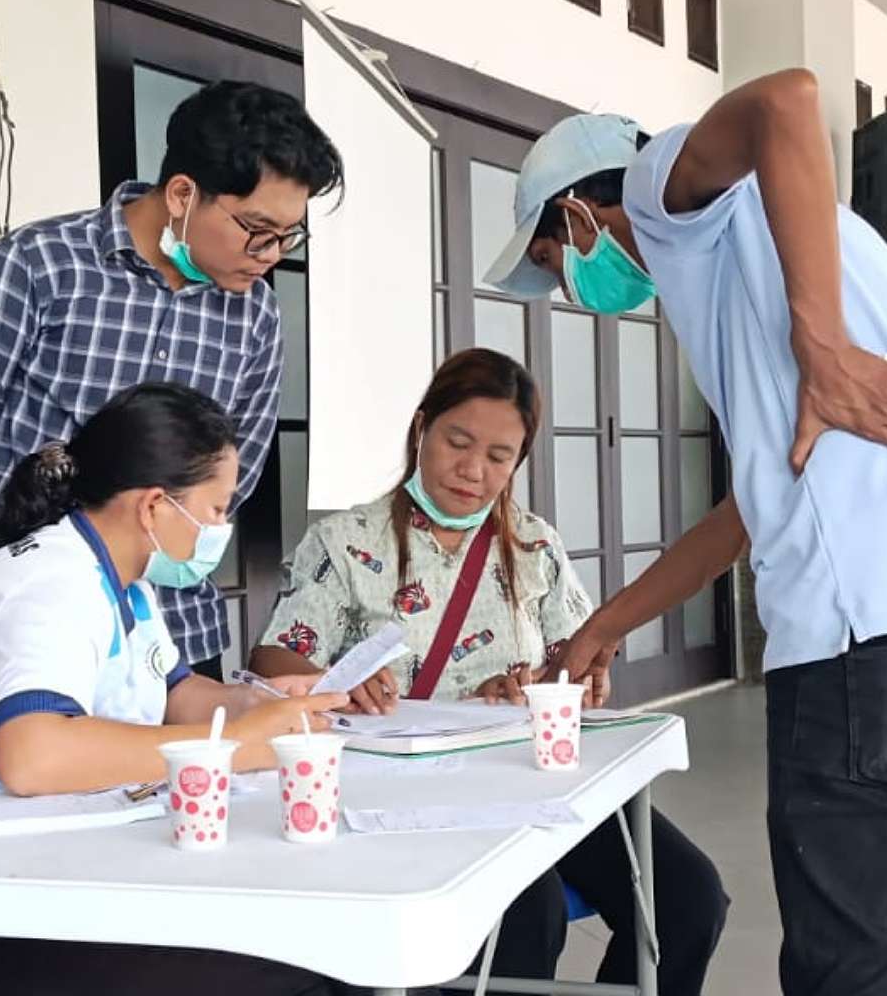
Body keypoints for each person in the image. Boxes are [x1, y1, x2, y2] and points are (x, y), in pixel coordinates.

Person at [479, 73, 887, 996]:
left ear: (578, 214)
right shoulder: (781, 247)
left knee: (847, 965)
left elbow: (788, 99)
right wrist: (606, 626)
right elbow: (748, 514)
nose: (573, 287)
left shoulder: (664, 201)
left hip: (864, 638)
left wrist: (820, 349)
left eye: (555, 259)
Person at [247, 348, 728, 996]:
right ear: (422, 429)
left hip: (522, 781)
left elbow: (577, 672)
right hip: (394, 789)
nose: (472, 471)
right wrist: (338, 682)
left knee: (690, 899)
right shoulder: (343, 541)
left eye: (499, 456)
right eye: (457, 442)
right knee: (528, 917)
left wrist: (548, 688)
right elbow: (273, 659)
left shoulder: (535, 547)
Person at [0, 382, 345, 994]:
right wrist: (231, 746)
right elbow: (32, 756)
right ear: (153, 506)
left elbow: (176, 691)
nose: (221, 527)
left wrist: (257, 704)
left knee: (294, 934)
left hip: (36, 860)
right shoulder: (56, 581)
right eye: (214, 509)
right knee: (287, 967)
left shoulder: (123, 576)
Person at [0, 80, 343, 681]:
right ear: (181, 193)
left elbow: (237, 467)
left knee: (187, 772)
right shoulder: (35, 266)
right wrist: (39, 553)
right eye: (257, 229)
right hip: (34, 615)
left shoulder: (253, 313)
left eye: (289, 235)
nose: (272, 253)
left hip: (176, 628)